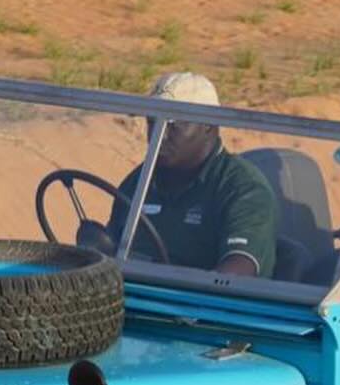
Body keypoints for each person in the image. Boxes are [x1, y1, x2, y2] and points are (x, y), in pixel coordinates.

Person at [107, 72, 278, 277]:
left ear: (207, 124)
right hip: (132, 299)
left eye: (172, 124)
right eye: (153, 122)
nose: (158, 135)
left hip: (201, 306)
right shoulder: (137, 182)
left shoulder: (243, 188)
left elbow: (239, 269)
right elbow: (112, 250)